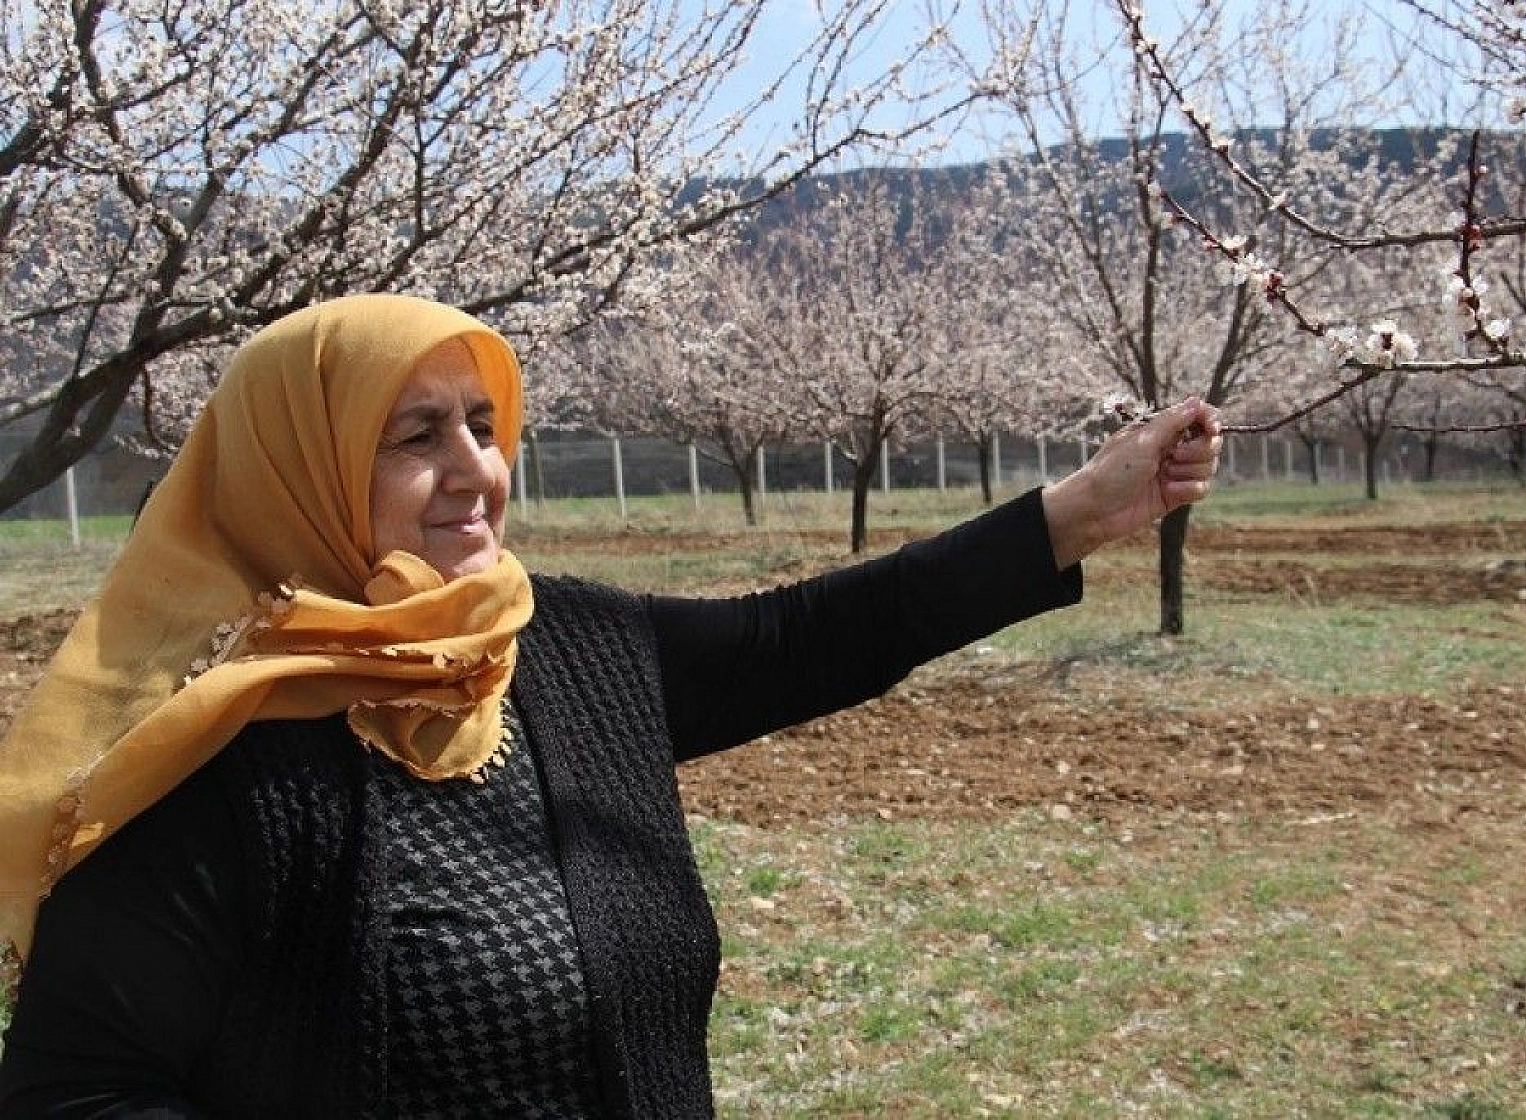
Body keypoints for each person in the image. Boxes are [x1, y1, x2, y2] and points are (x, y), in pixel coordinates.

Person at [0, 293, 1221, 1118]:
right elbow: (76, 1092)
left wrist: (1076, 515)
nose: (476, 470)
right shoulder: (214, 757)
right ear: (297, 467)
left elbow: (815, 636)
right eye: (414, 434)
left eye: (483, 424)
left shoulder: (559, 651)